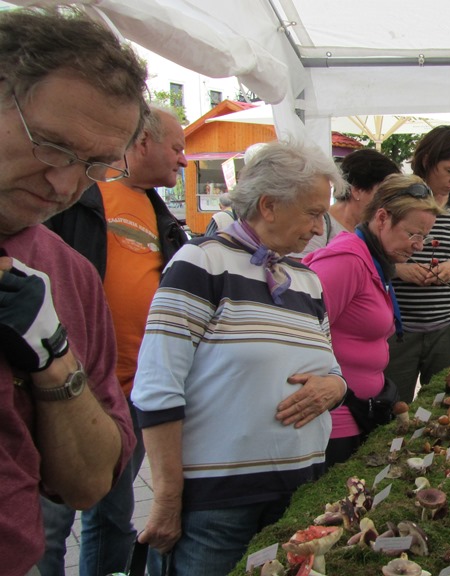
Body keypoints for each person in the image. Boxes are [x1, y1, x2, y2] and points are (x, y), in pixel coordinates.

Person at [131, 140, 349, 575]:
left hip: (297, 491)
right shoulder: (200, 263)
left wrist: (335, 388)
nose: (319, 228)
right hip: (219, 505)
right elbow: (157, 388)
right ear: (268, 205)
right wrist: (168, 498)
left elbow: (334, 371)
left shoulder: (306, 280)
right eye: (311, 213)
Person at [0, 9, 146, 574]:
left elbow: (86, 484)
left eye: (94, 165)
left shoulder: (69, 275)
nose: (64, 183)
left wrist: (52, 356)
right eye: (52, 146)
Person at [39, 106, 188, 576]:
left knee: (112, 517)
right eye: (177, 147)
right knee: (50, 524)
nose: (184, 161)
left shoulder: (160, 214)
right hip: (66, 392)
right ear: (142, 143)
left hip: (130, 394)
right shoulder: (79, 197)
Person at [305, 174, 442, 464]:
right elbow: (302, 332)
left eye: (424, 237)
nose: (419, 246)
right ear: (382, 218)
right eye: (413, 234)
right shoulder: (347, 261)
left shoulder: (373, 260)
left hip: (358, 413)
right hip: (337, 421)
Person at [385, 126, 450, 403]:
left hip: (449, 329)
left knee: (448, 407)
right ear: (428, 160)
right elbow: (369, 252)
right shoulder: (396, 197)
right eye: (449, 170)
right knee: (392, 410)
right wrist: (398, 270)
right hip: (396, 328)